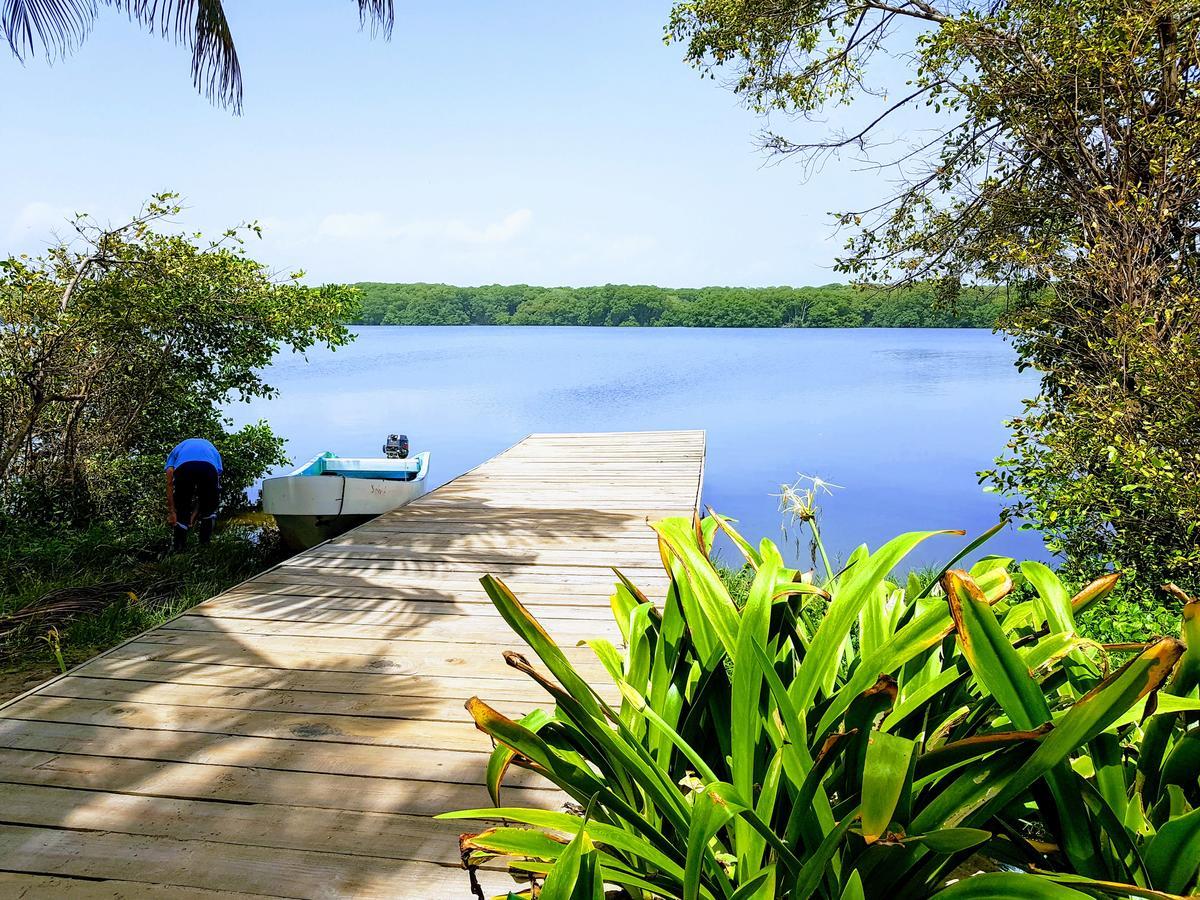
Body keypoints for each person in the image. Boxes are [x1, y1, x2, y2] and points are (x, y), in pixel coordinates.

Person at [165, 438, 223, 550]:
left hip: (184, 467)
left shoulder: (176, 450)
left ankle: (179, 550)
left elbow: (169, 483)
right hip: (209, 467)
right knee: (209, 509)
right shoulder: (212, 449)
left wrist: (172, 512)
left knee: (182, 509)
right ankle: (205, 547)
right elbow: (209, 492)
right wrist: (196, 513)